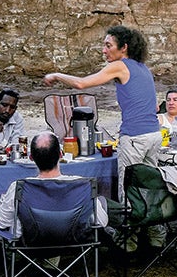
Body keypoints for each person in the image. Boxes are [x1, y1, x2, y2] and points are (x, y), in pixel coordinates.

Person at [44, 25, 162, 198]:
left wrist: (56, 75)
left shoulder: (120, 66)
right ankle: (150, 223)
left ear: (124, 48)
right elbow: (156, 107)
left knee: (128, 191)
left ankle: (128, 224)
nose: (104, 50)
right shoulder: (143, 68)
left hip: (135, 138)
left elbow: (81, 84)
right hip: (154, 135)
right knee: (147, 188)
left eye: (108, 46)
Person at [0, 131, 108, 238]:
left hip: (30, 246)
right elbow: (102, 222)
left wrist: (2, 204)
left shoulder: (18, 188)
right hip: (74, 244)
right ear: (61, 155)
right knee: (101, 202)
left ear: (31, 158)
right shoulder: (82, 186)